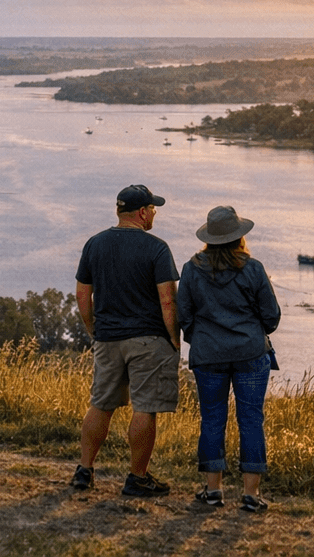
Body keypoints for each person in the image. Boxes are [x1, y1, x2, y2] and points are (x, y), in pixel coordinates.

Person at [70, 184, 181, 497]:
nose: (155, 214)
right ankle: (137, 477)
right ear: (143, 212)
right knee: (145, 407)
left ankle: (84, 470)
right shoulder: (157, 248)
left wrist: (94, 329)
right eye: (153, 209)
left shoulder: (95, 244)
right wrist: (174, 338)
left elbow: (82, 293)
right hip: (148, 340)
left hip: (108, 338)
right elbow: (168, 301)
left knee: (101, 404)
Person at [176, 205, 281, 513]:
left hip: (208, 355)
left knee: (212, 419)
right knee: (250, 419)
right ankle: (250, 495)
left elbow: (184, 316)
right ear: (239, 237)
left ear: (209, 237)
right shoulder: (254, 269)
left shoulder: (191, 269)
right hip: (250, 354)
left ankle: (213, 491)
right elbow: (271, 317)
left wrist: (204, 338)